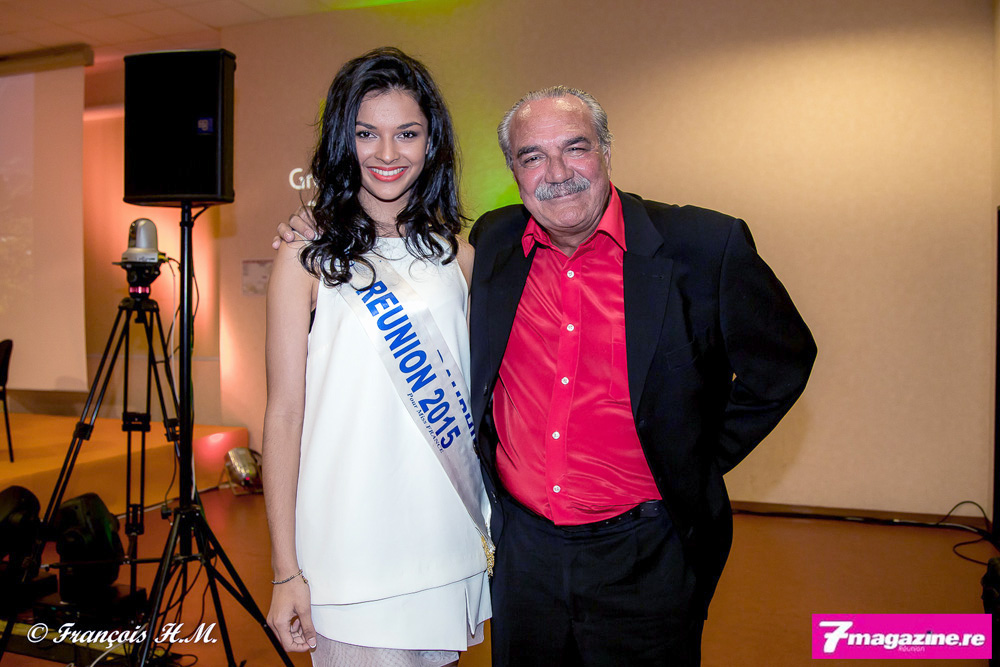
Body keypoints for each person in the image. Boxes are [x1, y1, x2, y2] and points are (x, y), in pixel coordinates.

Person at [278, 85, 816, 666]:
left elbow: (782, 364)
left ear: (606, 149)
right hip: (524, 558)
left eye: (575, 148)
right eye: (532, 156)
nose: (557, 173)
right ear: (514, 171)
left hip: (646, 554)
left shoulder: (703, 246)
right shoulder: (493, 245)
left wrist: (690, 458)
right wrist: (314, 222)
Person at [262, 47, 490, 667]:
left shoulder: (459, 256)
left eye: (407, 134)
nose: (387, 154)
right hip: (349, 552)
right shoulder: (305, 256)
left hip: (443, 543)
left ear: (432, 142)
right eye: (367, 134)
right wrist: (286, 570)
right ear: (344, 139)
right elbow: (283, 414)